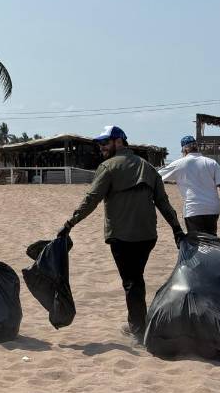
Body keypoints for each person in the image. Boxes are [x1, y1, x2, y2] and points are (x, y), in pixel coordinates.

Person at [57, 126, 185, 342]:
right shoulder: (148, 167)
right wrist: (177, 229)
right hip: (147, 236)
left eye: (105, 143)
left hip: (122, 236)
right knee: (136, 278)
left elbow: (92, 199)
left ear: (119, 142)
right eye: (100, 144)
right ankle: (138, 322)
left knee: (131, 281)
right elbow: (164, 203)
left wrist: (70, 223)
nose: (101, 147)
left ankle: (138, 330)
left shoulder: (108, 167)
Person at [158, 135, 220, 235]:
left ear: (184, 150)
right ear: (197, 147)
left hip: (193, 209)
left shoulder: (179, 164)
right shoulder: (211, 163)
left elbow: (157, 175)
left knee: (197, 242)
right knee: (211, 238)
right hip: (212, 208)